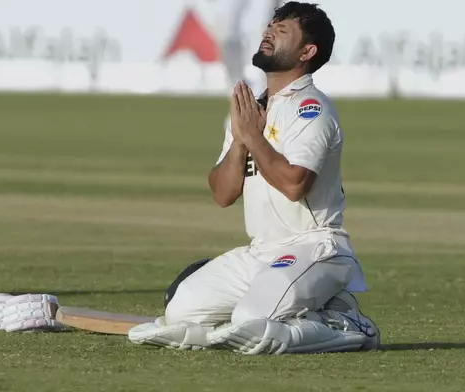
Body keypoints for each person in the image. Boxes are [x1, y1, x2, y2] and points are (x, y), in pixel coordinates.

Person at [128, 1, 380, 355]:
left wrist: (254, 138)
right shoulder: (252, 110)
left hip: (315, 248)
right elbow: (223, 193)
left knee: (252, 319)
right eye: (270, 26)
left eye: (282, 31)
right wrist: (241, 140)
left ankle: (347, 324)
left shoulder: (312, 109)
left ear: (308, 51)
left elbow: (295, 185)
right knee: (180, 311)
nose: (268, 32)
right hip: (261, 252)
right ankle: (312, 308)